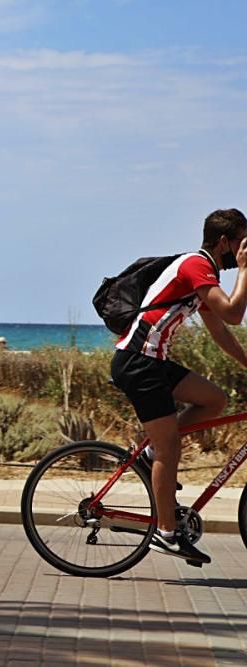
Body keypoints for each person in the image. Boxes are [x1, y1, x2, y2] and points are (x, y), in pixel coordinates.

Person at [111, 208, 247, 565]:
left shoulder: (205, 272)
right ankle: (167, 533)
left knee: (214, 400)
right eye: (241, 242)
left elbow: (220, 330)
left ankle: (152, 455)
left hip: (153, 361)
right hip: (139, 361)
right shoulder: (195, 265)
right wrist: (246, 272)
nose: (244, 250)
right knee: (169, 445)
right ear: (224, 242)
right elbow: (234, 313)